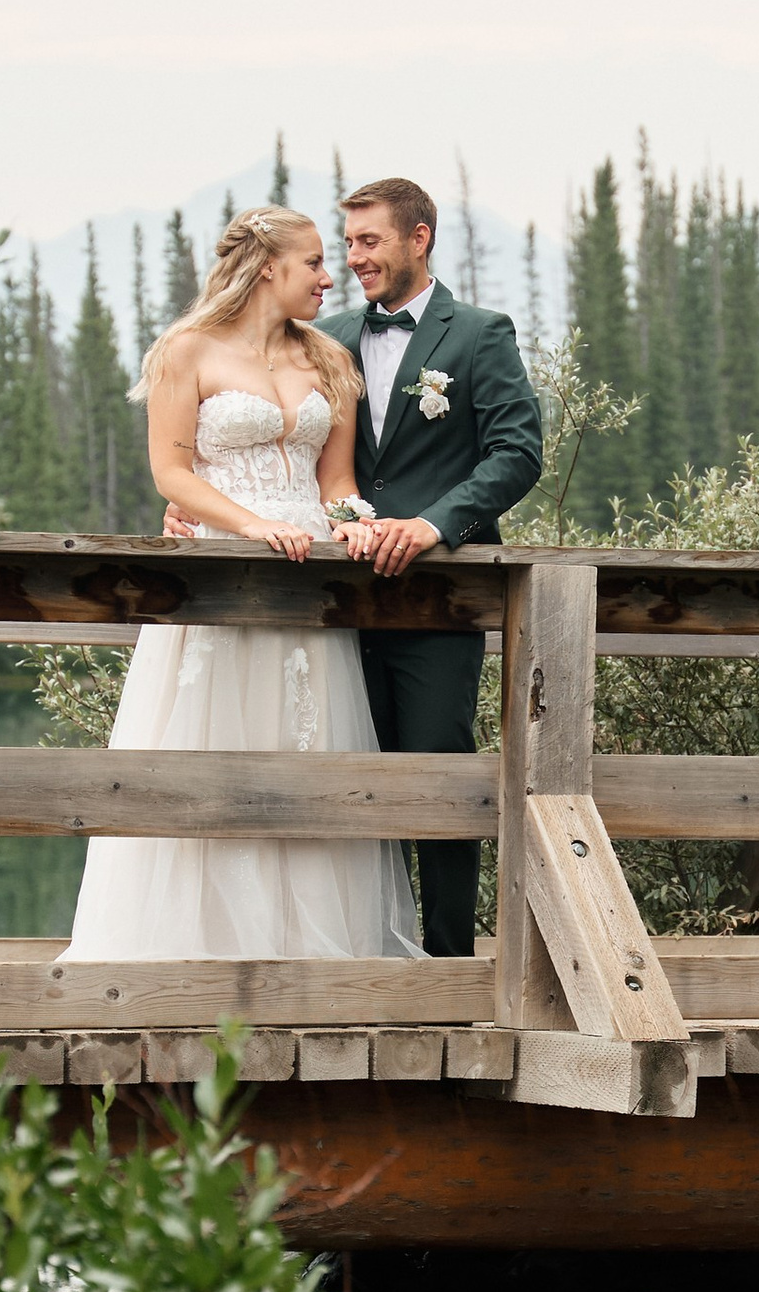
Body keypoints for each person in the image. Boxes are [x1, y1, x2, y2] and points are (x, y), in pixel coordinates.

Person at [184, 176, 544, 958]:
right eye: (346, 244)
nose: (353, 258)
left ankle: (447, 967)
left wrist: (433, 524)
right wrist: (193, 505)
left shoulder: (479, 335)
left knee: (439, 772)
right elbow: (252, 430)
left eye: (369, 240)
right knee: (339, 772)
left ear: (420, 238)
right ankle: (369, 949)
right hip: (331, 606)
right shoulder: (326, 337)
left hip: (438, 600)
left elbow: (518, 454)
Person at [59, 207, 423, 962]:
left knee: (303, 747)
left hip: (308, 582)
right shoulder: (186, 349)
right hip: (221, 571)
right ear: (266, 268)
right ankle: (192, 952)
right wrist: (252, 526)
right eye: (313, 262)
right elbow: (171, 472)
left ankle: (308, 956)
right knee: (210, 745)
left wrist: (351, 522)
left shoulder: (328, 359)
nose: (329, 277)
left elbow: (336, 481)